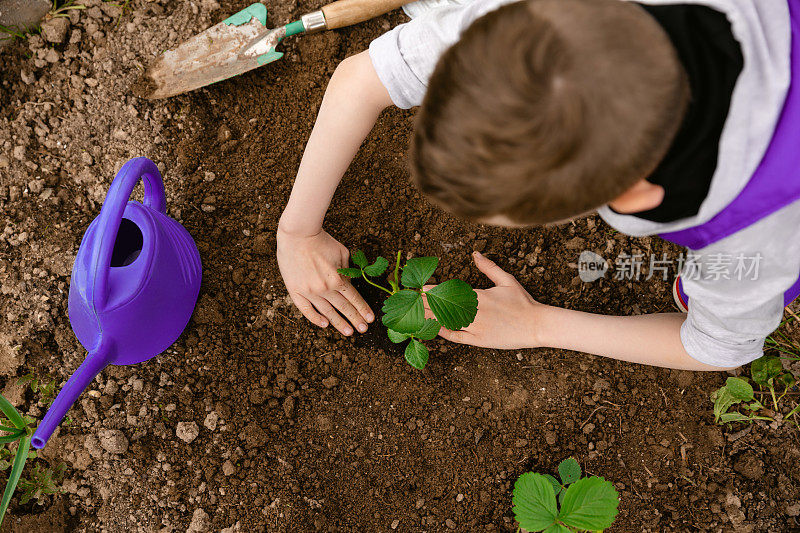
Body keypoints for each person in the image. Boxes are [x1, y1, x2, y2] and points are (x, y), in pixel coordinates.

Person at [277, 0, 800, 371]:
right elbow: (361, 81)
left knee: (702, 295)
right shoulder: (542, 27)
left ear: (634, 200)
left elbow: (715, 346)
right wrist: (298, 230)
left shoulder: (751, 231)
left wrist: (537, 325)